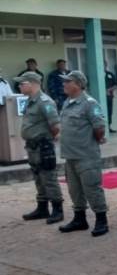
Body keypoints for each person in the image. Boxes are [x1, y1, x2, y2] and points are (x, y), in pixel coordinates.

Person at [56, 71, 109, 236]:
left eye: (68, 81)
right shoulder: (67, 102)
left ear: (78, 84)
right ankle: (80, 219)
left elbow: (99, 127)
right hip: (70, 156)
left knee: (92, 188)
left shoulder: (89, 103)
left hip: (86, 155)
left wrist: (93, 141)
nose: (64, 84)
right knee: (74, 190)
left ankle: (101, 220)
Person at [15, 71, 64, 223]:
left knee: (49, 178)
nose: (19, 86)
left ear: (32, 83)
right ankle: (42, 208)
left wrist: (48, 141)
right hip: (32, 146)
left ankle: (57, 209)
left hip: (43, 146)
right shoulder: (31, 100)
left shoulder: (45, 102)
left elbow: (55, 126)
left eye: (22, 83)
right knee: (38, 177)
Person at [104, 65, 117, 132]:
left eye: (104, 65)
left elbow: (116, 85)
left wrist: (109, 90)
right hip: (99, 97)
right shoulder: (97, 74)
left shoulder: (110, 74)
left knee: (109, 112)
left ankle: (109, 127)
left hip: (109, 96)